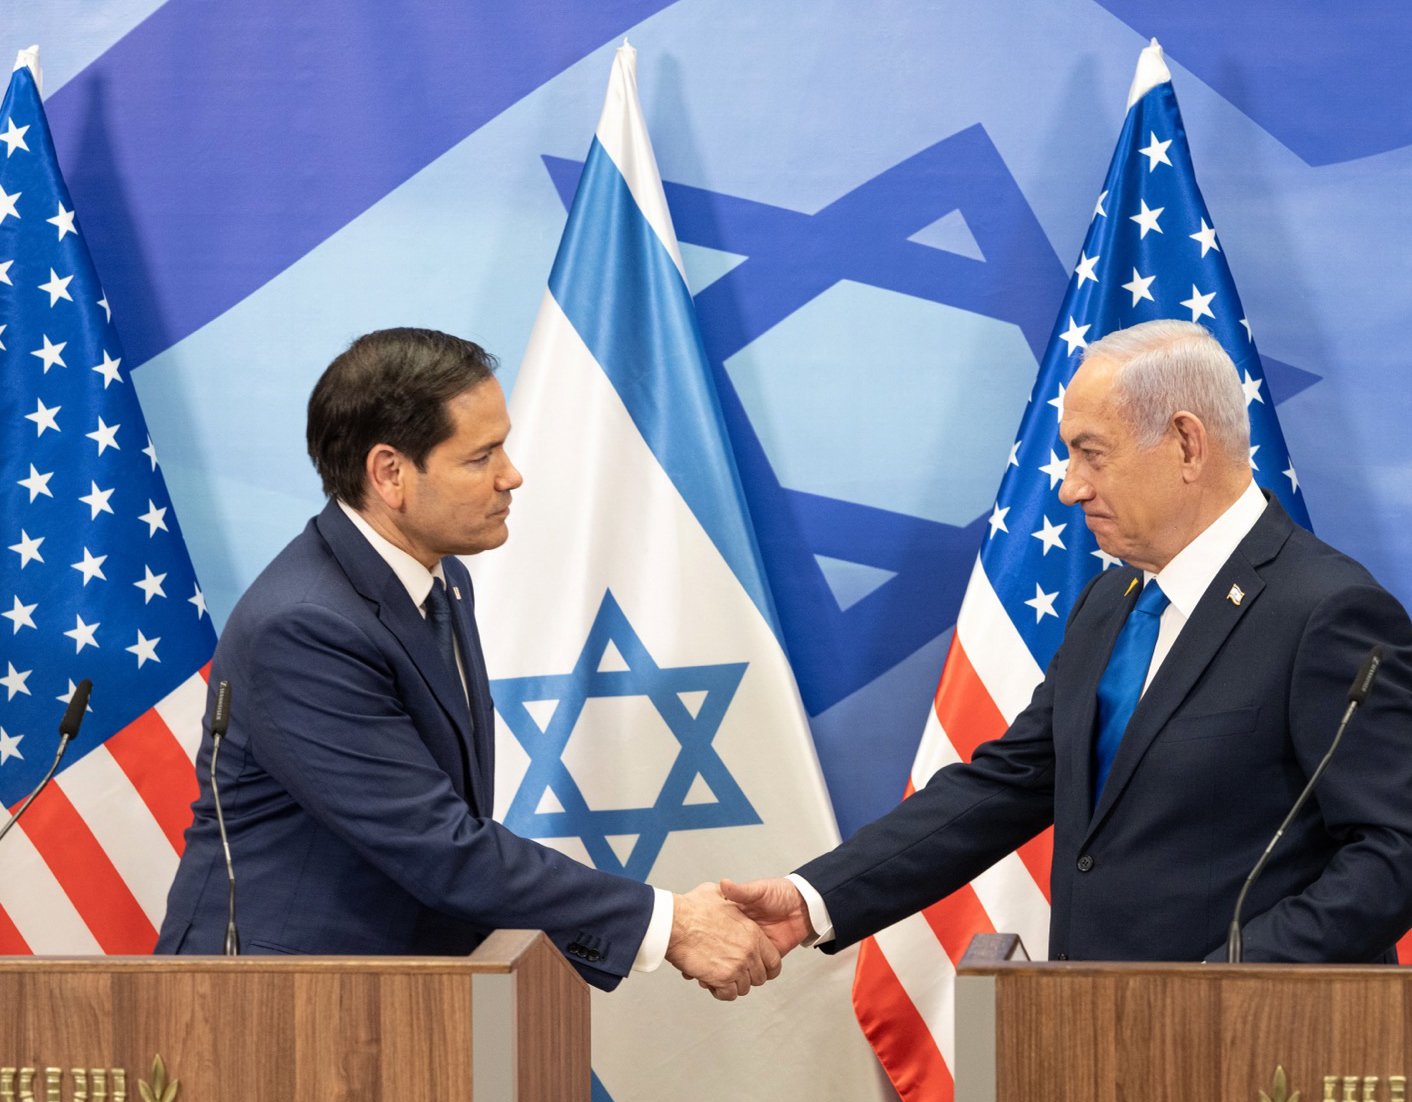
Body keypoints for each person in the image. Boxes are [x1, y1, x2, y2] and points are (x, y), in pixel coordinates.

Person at [724, 321, 1412, 967]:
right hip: (1088, 1041)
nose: (1067, 487)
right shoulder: (1109, 606)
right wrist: (811, 901)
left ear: (1186, 444)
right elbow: (1007, 785)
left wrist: (1226, 983)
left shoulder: (1326, 611)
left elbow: (1395, 850)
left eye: (1091, 453)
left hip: (1259, 1055)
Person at [158, 327, 777, 999]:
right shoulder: (304, 625)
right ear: (390, 474)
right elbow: (437, 844)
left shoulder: (442, 580)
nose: (512, 475)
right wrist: (669, 923)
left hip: (403, 991)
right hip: (275, 1002)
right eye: (481, 456)